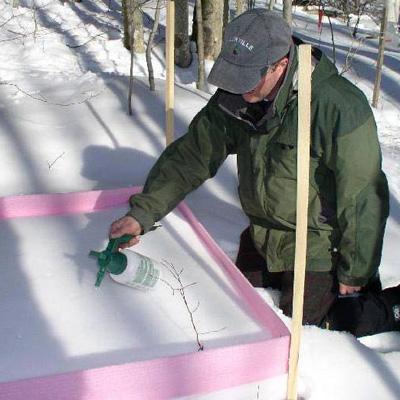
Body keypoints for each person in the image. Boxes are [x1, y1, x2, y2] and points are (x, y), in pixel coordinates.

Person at [109, 9, 399, 337]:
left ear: (282, 64)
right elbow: (192, 155)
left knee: (317, 330)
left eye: (249, 77)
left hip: (319, 245)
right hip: (263, 235)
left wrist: (355, 271)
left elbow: (362, 195)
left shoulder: (337, 107)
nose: (241, 88)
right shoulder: (241, 97)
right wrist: (142, 214)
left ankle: (387, 306)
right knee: (232, 308)